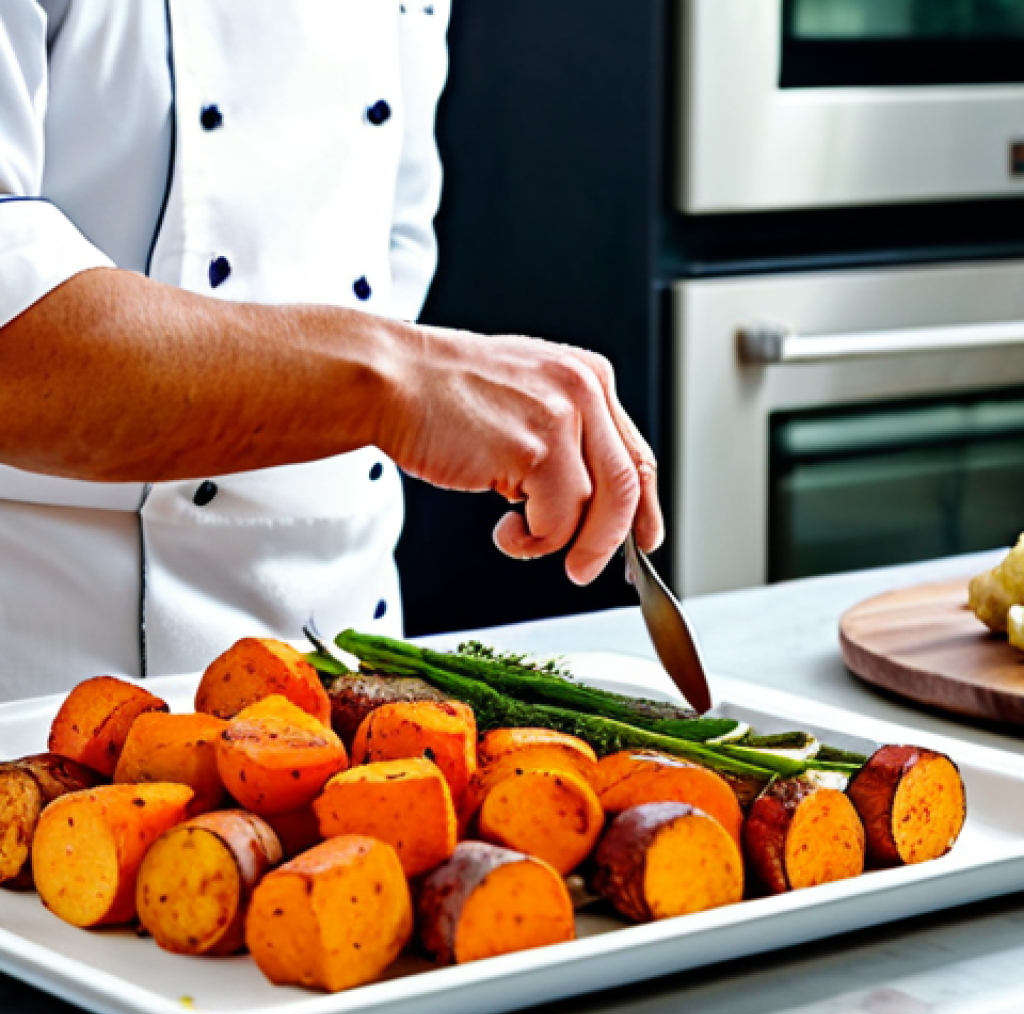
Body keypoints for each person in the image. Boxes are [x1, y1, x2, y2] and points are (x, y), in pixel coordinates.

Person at [0, 1, 662, 697]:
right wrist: (398, 384)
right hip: (49, 682)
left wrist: (410, 382)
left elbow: (394, 256)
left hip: (350, 659)